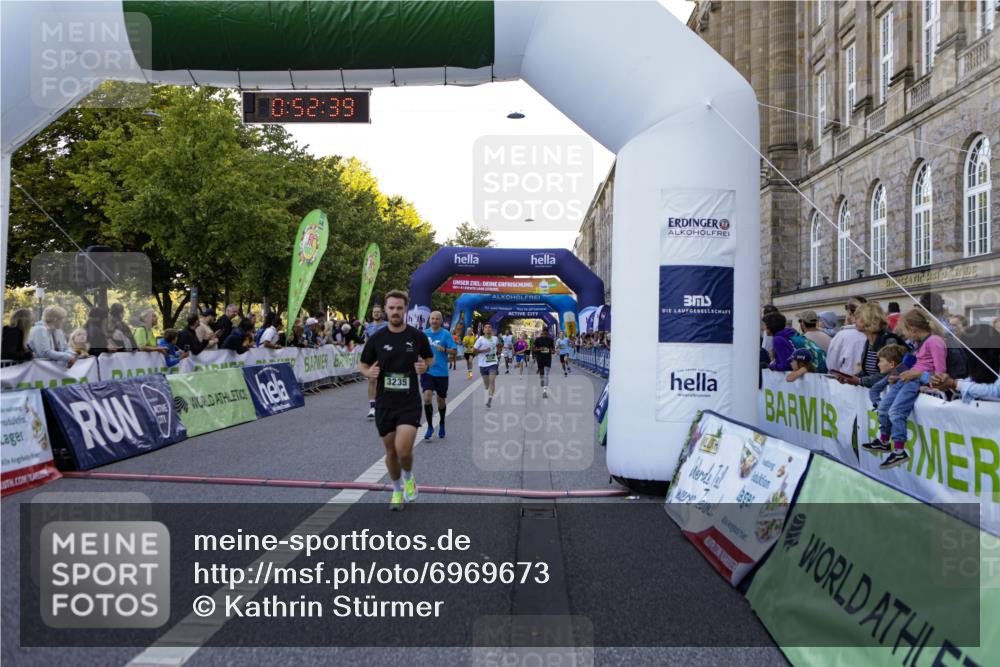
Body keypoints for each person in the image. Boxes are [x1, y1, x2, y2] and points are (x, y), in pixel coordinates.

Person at [359, 290, 433, 512]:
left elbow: (429, 357)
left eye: (399, 308)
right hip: (384, 403)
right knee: (390, 452)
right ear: (386, 309)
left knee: (403, 450)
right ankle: (396, 489)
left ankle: (408, 478)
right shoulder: (377, 338)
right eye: (391, 308)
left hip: (409, 402)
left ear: (405, 310)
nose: (394, 312)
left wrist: (425, 366)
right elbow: (363, 364)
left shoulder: (416, 336)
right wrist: (368, 372)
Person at [862, 309, 947, 469]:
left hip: (914, 381)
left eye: (906, 332)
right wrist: (896, 374)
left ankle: (900, 450)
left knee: (896, 412)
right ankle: (884, 440)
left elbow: (940, 373)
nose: (905, 337)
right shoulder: (918, 344)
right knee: (884, 408)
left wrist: (916, 375)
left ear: (913, 329)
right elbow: (911, 362)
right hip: (906, 378)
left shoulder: (934, 341)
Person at [835, 303, 907, 388]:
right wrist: (850, 378)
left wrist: (859, 380)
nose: (854, 321)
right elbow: (867, 372)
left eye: (858, 317)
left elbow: (888, 375)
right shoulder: (868, 341)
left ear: (867, 319)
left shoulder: (889, 341)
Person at [421, 310, 457, 440]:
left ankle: (441, 422)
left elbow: (454, 351)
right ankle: (430, 426)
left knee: (441, 400)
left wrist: (445, 349)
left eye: (437, 319)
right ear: (429, 320)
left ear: (441, 321)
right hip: (427, 371)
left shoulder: (446, 334)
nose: (434, 321)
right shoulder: (424, 334)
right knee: (427, 397)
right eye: (432, 319)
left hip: (441, 373)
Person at [826, 298, 867, 375]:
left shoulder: (842, 335)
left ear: (849, 312)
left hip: (846, 382)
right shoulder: (873, 333)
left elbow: (832, 366)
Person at [364, 304, 389, 420]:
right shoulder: (368, 327)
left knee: (383, 382)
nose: (376, 314)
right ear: (372, 314)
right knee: (372, 380)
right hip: (372, 358)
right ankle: (372, 407)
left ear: (382, 313)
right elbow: (366, 342)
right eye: (374, 312)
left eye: (378, 312)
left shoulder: (387, 325)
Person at [865, 344, 909, 409]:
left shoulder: (907, 375)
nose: (878, 364)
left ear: (892, 364)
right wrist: (878, 404)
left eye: (881, 361)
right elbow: (874, 389)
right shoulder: (889, 376)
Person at [474, 323, 500, 408]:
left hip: (493, 363)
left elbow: (499, 346)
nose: (488, 329)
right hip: (483, 364)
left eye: (489, 327)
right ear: (483, 330)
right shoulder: (480, 339)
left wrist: (498, 354)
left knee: (492, 381)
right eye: (486, 327)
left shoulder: (495, 338)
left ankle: (490, 399)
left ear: (491, 329)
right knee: (486, 384)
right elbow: (474, 351)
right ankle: (487, 386)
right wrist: (484, 350)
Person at [533, 329, 555, 398]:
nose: (545, 334)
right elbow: (533, 349)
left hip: (548, 358)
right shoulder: (538, 340)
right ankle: (541, 379)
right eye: (544, 333)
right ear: (542, 332)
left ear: (548, 333)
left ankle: (544, 391)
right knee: (542, 373)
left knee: (546, 374)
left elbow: (553, 350)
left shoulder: (551, 340)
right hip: (540, 358)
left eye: (546, 333)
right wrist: (540, 349)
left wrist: (552, 351)